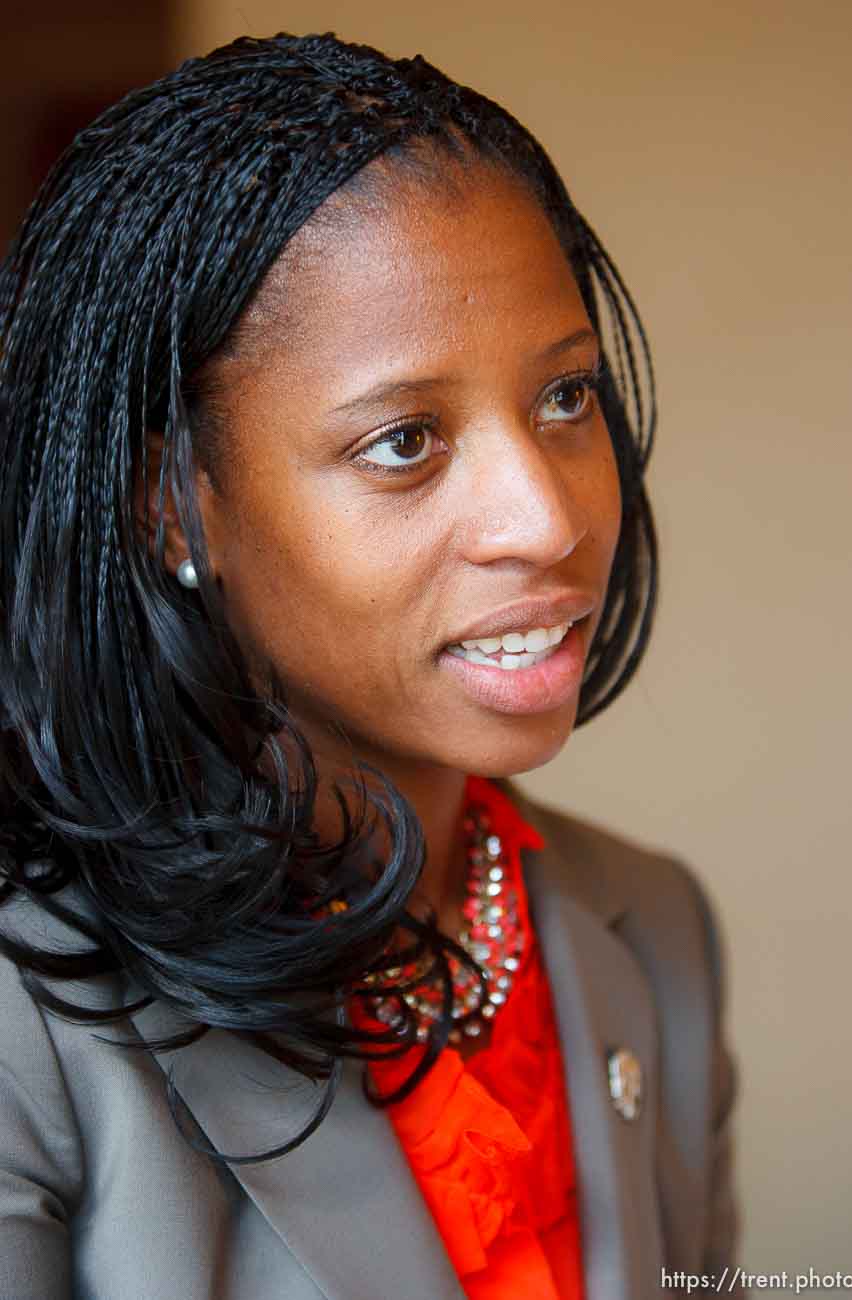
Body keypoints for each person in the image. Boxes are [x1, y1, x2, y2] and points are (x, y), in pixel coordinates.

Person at [0, 31, 743, 1300]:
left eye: (565, 397)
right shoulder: (30, 1021)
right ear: (172, 507)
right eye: (405, 440)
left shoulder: (654, 925)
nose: (549, 519)